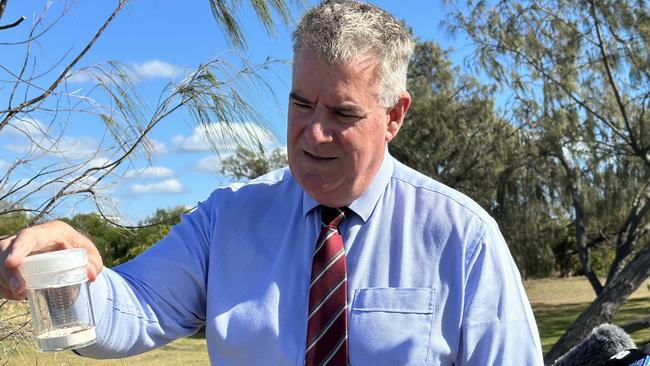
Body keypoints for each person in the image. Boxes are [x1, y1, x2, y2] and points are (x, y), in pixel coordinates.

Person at [0, 0, 544, 364]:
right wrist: (60, 274)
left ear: (394, 115)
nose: (313, 132)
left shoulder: (461, 237)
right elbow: (131, 309)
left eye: (342, 114)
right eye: (300, 103)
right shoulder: (227, 219)